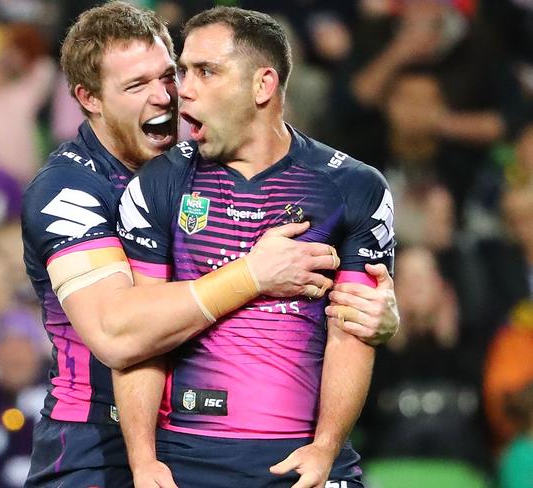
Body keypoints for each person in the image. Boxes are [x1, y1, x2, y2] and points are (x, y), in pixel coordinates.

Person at [21, 3, 399, 487]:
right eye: (137, 86)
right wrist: (252, 274)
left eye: (168, 76)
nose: (167, 97)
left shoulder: (200, 158)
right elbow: (117, 334)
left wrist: (377, 313)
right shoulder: (67, 190)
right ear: (88, 98)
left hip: (185, 438)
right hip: (93, 440)